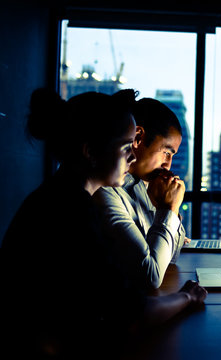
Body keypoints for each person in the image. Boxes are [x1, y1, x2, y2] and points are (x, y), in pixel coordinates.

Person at [0, 89, 206, 358]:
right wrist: (187, 297)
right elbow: (134, 313)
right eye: (125, 147)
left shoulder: (61, 196)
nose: (132, 157)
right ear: (90, 152)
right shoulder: (73, 211)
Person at [93, 94, 188, 290]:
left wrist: (167, 209)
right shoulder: (103, 189)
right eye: (166, 152)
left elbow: (172, 254)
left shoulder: (143, 184)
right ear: (138, 138)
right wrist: (168, 209)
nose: (168, 164)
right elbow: (150, 276)